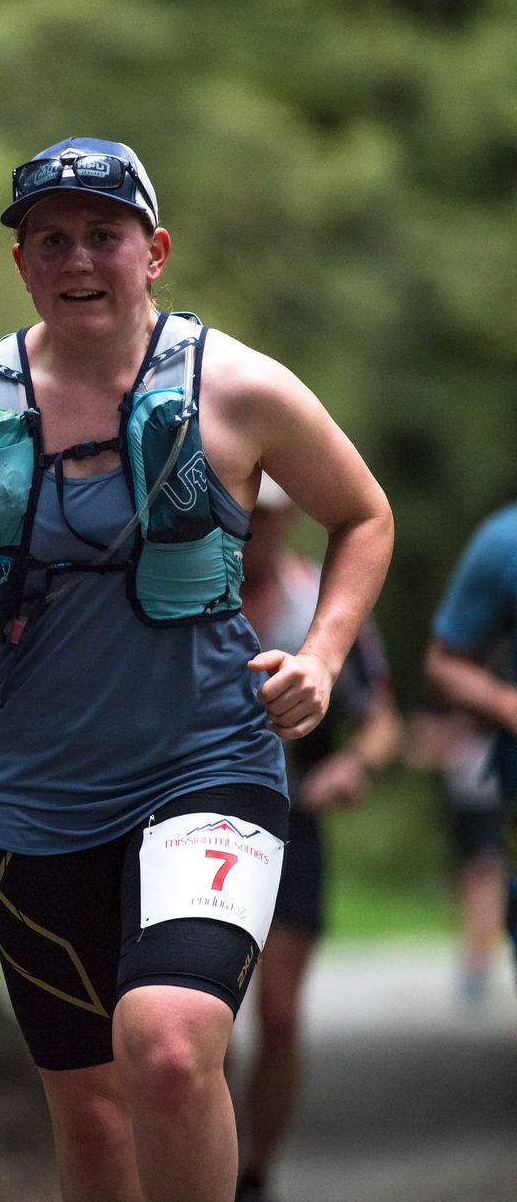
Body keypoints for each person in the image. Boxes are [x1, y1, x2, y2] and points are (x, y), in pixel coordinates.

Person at [0, 138, 392, 1202]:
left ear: (155, 251)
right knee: (92, 1118)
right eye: (52, 238)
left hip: (207, 762)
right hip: (30, 801)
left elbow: (363, 513)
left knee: (174, 1044)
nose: (78, 257)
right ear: (22, 263)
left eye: (105, 234)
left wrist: (322, 657)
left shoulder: (238, 385)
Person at [231, 483, 400, 1202]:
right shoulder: (181, 602)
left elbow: (383, 720)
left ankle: (253, 1171)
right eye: (240, 514)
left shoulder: (321, 606)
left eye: (264, 517)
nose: (250, 530)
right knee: (200, 1019)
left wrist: (352, 766)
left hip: (294, 823)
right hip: (191, 825)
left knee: (277, 1012)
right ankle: (208, 1162)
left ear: (286, 518)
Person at [422, 499, 517, 987]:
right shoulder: (503, 543)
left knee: (481, 868)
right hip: (482, 781)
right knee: (477, 867)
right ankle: (475, 960)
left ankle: (476, 961)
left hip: (476, 779)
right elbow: (443, 669)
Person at [405, 709, 509, 1005]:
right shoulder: (448, 696)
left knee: (482, 878)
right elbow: (419, 748)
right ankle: (474, 957)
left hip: (489, 796)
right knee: (464, 881)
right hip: (462, 797)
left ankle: (478, 965)